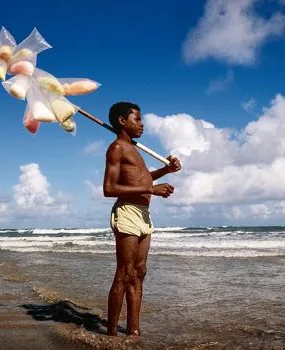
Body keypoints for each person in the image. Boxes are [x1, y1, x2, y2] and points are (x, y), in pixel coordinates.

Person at [103, 102, 181, 336]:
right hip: (127, 212)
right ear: (121, 121)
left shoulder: (134, 150)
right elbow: (109, 188)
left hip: (144, 215)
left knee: (139, 272)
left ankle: (134, 331)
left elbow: (141, 178)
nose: (142, 124)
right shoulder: (116, 148)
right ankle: (111, 334)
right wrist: (153, 189)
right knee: (124, 273)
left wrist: (165, 171)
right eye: (137, 119)